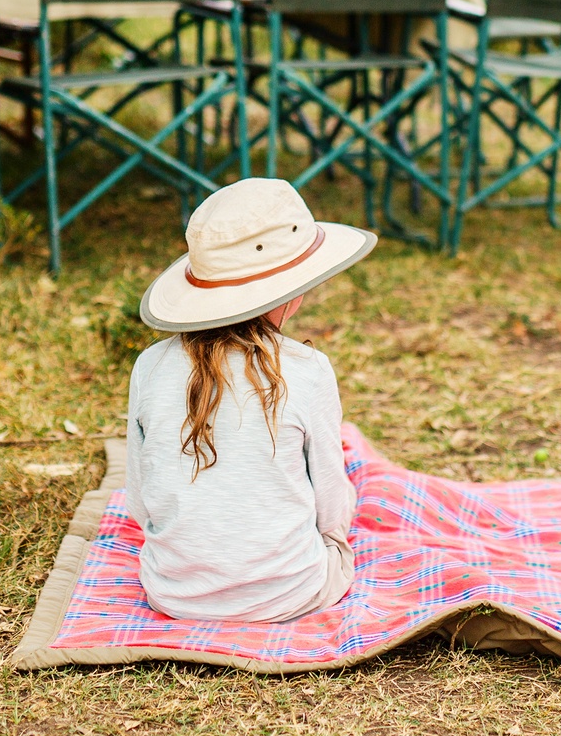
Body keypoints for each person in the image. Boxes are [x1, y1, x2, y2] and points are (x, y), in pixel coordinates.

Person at [125, 178, 377, 622]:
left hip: (175, 594)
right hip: (290, 594)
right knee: (339, 514)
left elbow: (140, 500)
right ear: (294, 289)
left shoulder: (149, 365)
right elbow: (331, 507)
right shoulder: (307, 369)